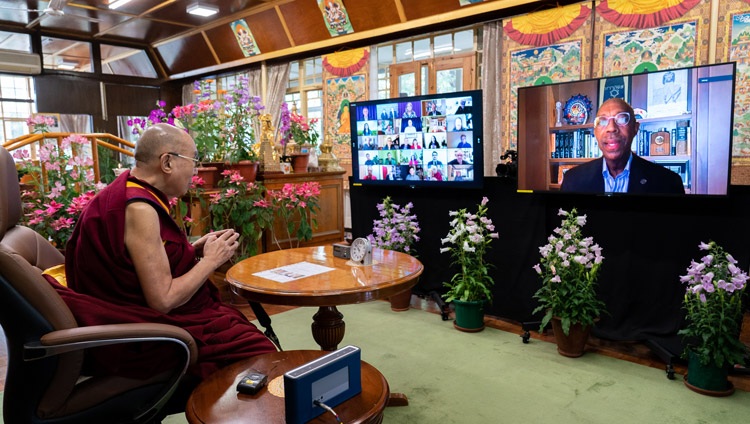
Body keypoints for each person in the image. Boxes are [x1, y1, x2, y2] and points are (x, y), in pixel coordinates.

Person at [63, 123, 277, 381]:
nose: (196, 171)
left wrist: (190, 252)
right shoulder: (140, 209)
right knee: (260, 352)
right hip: (142, 335)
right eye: (193, 161)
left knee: (238, 326)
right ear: (167, 163)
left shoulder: (130, 192)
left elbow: (141, 260)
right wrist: (210, 261)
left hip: (136, 315)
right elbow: (162, 300)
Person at [560, 98, 685, 194]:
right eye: (602, 121)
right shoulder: (573, 180)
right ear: (595, 132)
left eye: (621, 119)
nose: (611, 128)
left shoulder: (668, 182)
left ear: (635, 128)